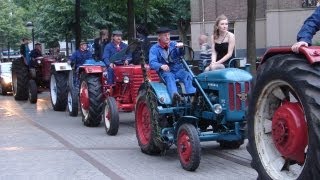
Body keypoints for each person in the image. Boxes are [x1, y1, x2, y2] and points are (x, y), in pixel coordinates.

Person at [149, 27, 196, 102]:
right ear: (159, 37)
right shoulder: (154, 49)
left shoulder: (174, 44)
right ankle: (175, 96)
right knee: (169, 77)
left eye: (168, 35)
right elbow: (152, 63)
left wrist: (181, 48)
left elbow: (180, 54)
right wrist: (161, 66)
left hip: (178, 70)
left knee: (187, 75)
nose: (167, 37)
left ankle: (193, 95)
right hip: (166, 72)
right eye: (165, 35)